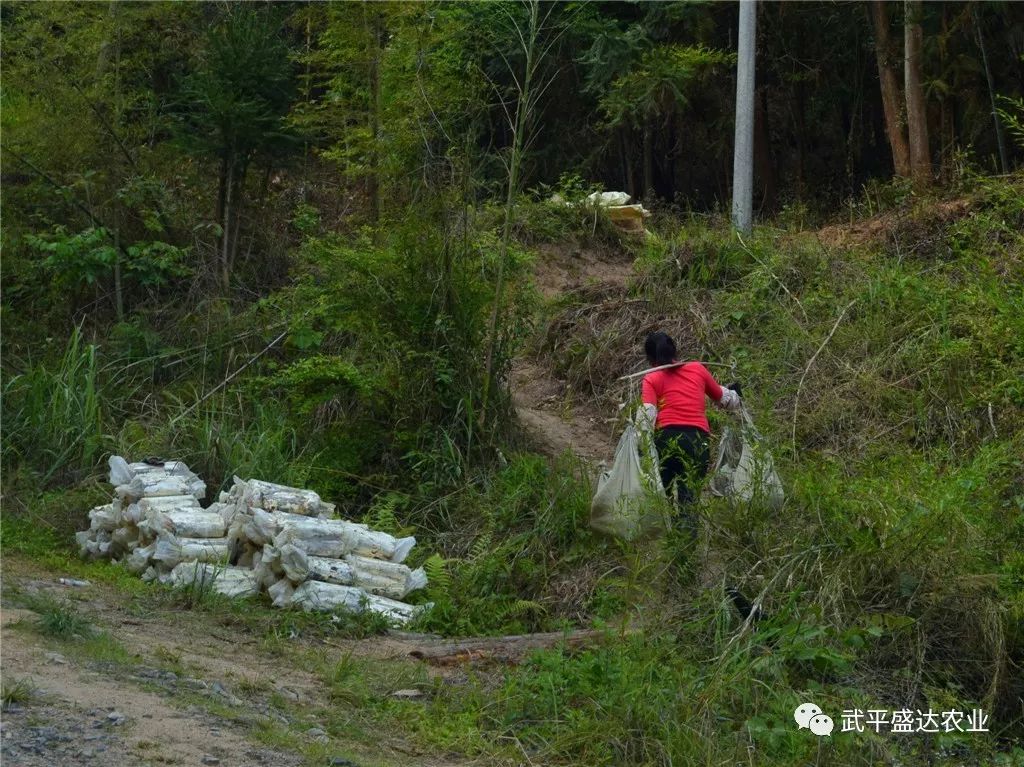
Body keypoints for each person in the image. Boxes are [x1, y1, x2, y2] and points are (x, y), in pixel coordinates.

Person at [636, 331, 741, 541]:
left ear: (650, 359)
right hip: (696, 441)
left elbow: (647, 415)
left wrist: (641, 446)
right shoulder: (697, 369)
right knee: (689, 498)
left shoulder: (652, 378)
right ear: (675, 351)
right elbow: (725, 400)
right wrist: (735, 393)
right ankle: (687, 553)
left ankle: (669, 541)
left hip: (665, 440)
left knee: (661, 495)